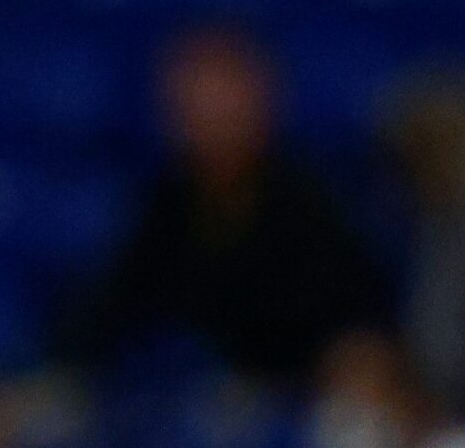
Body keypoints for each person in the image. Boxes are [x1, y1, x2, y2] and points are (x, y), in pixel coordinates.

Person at [64, 25, 388, 388]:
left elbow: (357, 336)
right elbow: (102, 322)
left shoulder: (316, 207)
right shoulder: (165, 207)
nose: (212, 119)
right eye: (197, 102)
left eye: (225, 101)